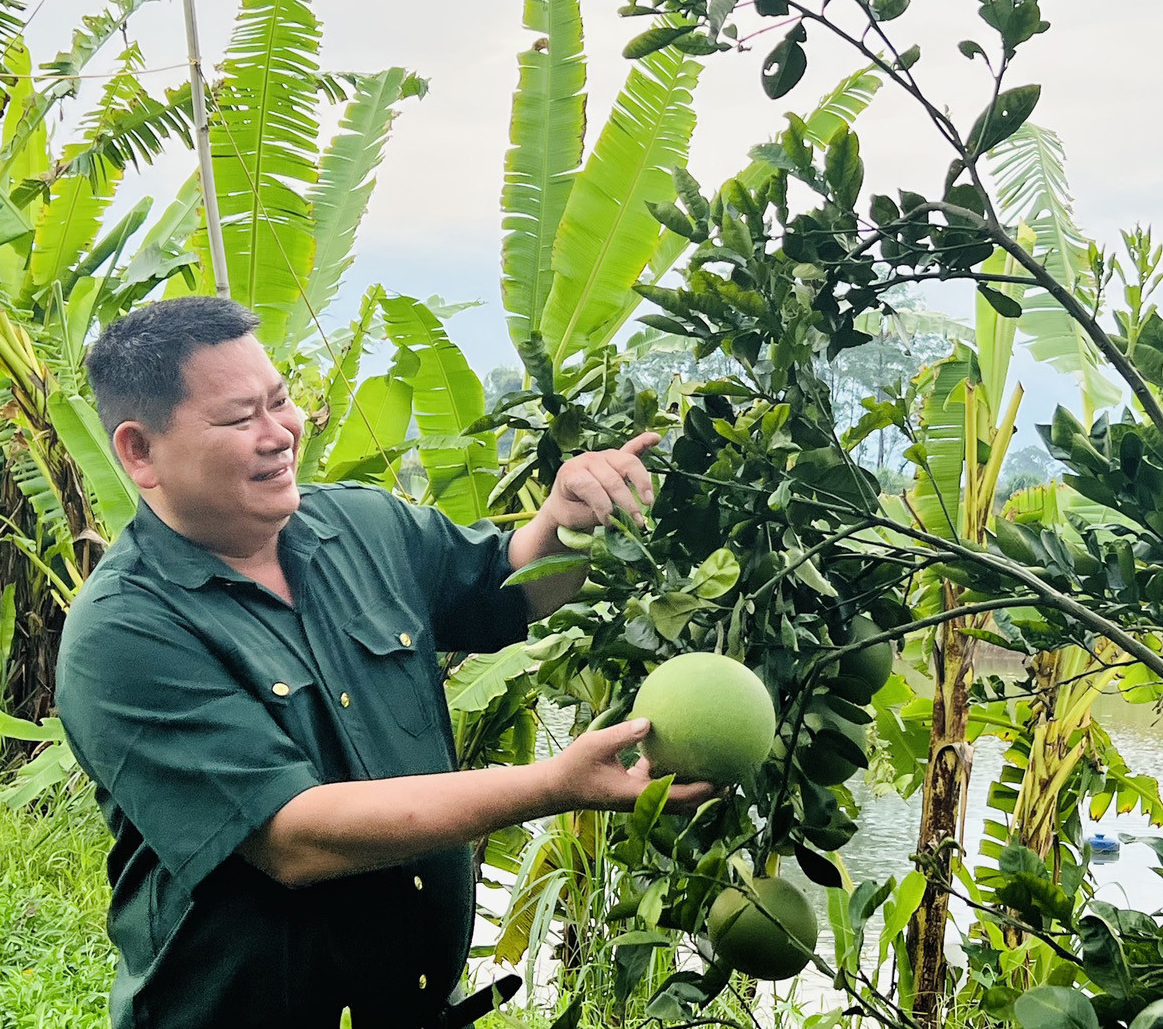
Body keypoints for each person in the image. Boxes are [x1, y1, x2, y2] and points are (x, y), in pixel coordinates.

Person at [55, 297, 712, 1029]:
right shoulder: (123, 632)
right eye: (240, 419)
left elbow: (507, 584)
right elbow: (294, 836)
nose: (280, 433)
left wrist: (563, 521)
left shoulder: (362, 525)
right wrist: (555, 785)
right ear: (139, 452)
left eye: (281, 400)